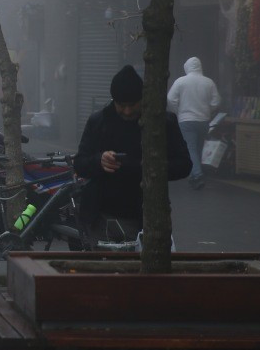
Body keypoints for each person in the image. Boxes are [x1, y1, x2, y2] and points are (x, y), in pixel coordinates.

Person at [74, 65, 193, 241]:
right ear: (113, 100)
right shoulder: (98, 122)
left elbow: (184, 165)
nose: (127, 111)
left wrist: (142, 166)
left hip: (146, 217)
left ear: (143, 99)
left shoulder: (163, 123)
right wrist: (99, 161)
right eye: (121, 105)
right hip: (100, 216)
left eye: (133, 105)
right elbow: (80, 163)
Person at [167, 56, 221, 190]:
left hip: (186, 120)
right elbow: (216, 101)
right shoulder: (209, 82)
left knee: (190, 148)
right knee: (198, 148)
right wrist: (208, 111)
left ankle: (197, 174)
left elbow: (170, 99)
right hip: (203, 121)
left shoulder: (181, 81)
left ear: (187, 67)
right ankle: (194, 174)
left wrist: (178, 111)